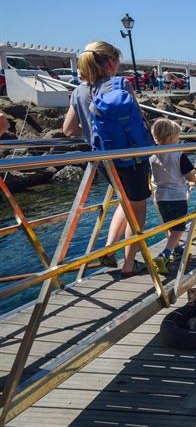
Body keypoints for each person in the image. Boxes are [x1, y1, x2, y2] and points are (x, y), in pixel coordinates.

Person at [63, 41, 153, 277]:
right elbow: (138, 120)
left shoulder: (78, 91)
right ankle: (129, 264)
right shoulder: (121, 84)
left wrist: (93, 127)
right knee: (138, 209)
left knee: (125, 202)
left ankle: (108, 248)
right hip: (131, 157)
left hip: (103, 159)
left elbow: (68, 130)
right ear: (110, 62)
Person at [149, 118, 196, 274]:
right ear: (171, 138)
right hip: (176, 196)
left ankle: (176, 250)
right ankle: (164, 254)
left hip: (160, 197)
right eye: (178, 137)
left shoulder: (151, 154)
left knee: (169, 225)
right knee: (178, 229)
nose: (179, 140)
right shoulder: (178, 154)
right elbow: (189, 176)